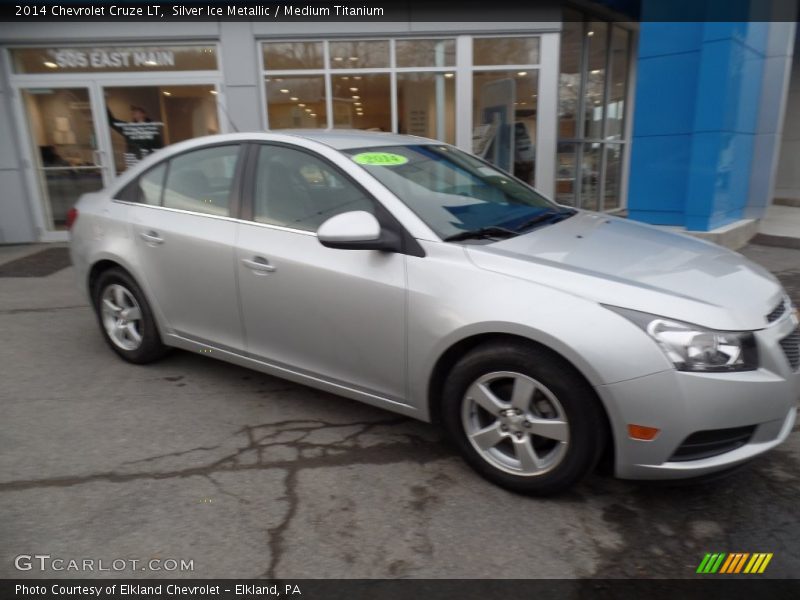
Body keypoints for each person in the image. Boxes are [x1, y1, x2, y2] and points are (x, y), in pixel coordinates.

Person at [107, 104, 164, 169]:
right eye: (134, 113)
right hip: (134, 160)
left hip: (148, 160)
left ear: (144, 114)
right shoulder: (130, 128)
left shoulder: (151, 128)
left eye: (138, 113)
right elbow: (112, 121)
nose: (137, 115)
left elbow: (158, 145)